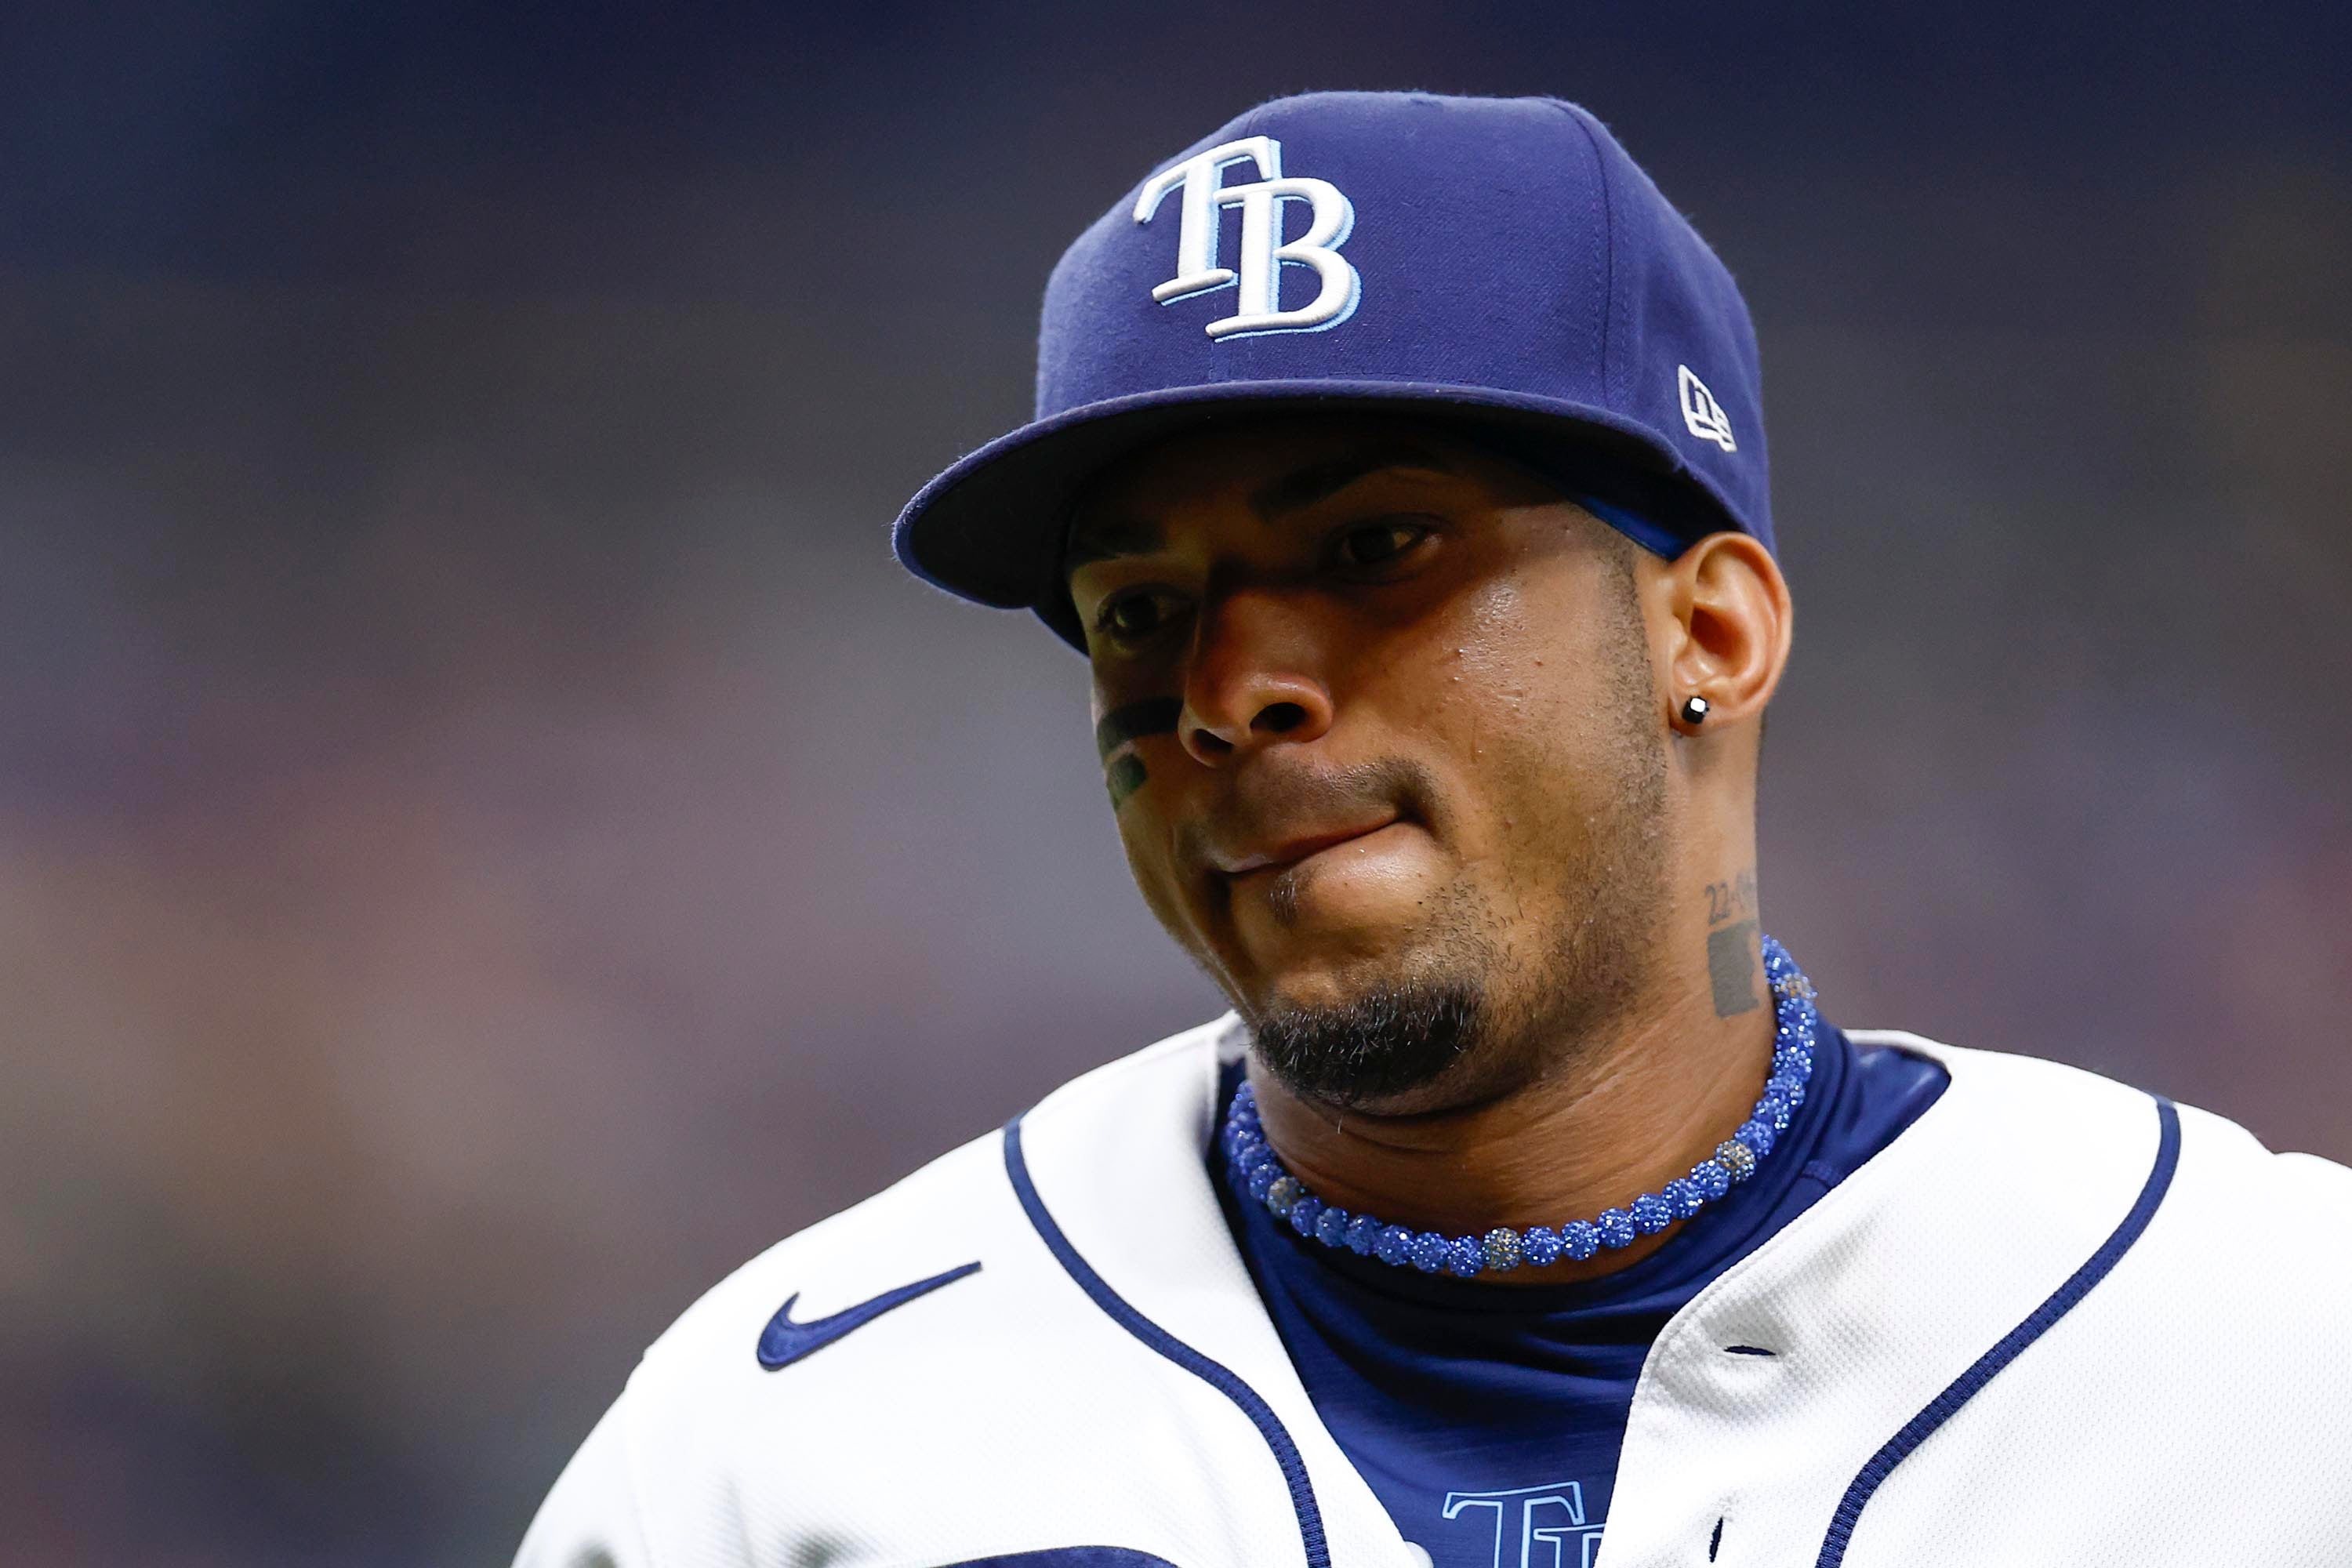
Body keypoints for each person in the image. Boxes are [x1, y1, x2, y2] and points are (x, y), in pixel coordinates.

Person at [517, 90, 2352, 1568]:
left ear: (1706, 629)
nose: (1226, 690)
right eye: (1139, 608)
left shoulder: (2269, 1357)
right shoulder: (788, 1437)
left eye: (1374, 549)